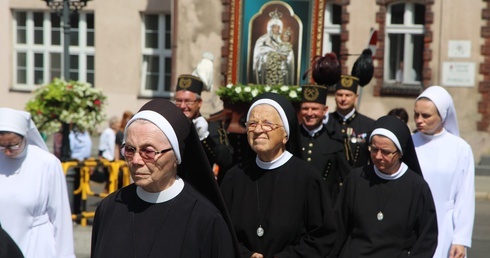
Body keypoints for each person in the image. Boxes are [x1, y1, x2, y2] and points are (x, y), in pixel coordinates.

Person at [91, 99, 239, 257]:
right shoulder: (109, 208)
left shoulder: (205, 219)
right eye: (129, 149)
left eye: (148, 151)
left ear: (176, 156)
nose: (135, 161)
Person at [220, 92, 337, 258]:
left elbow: (321, 236)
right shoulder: (234, 177)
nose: (258, 130)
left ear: (285, 134)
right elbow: (221, 231)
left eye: (267, 124)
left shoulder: (307, 178)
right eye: (252, 123)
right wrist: (244, 254)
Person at [333, 115, 438, 257]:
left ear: (401, 152)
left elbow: (427, 238)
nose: (378, 156)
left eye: (386, 152)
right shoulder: (355, 179)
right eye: (374, 149)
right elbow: (338, 226)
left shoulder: (417, 187)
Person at [0, 107, 75, 258]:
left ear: (24, 137)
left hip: (35, 244)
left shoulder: (47, 163)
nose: (7, 152)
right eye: (2, 146)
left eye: (13, 145)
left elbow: (60, 216)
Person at [412, 85, 475, 258]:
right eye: (416, 114)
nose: (419, 120)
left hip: (445, 227)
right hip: (411, 225)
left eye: (426, 116)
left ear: (442, 116)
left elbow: (464, 197)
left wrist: (460, 239)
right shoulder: (408, 143)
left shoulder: (460, 148)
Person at [174, 74, 234, 181]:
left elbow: (227, 159)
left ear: (199, 103)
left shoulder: (213, 126)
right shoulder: (171, 125)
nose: (183, 106)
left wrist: (205, 137)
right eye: (179, 100)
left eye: (188, 101)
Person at [299, 84, 350, 203]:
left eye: (315, 109)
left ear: (325, 110)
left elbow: (346, 177)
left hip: (325, 205)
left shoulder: (335, 139)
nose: (309, 113)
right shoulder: (291, 137)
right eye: (305, 108)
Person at [327, 75, 375, 169]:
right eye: (340, 95)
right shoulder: (326, 122)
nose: (343, 99)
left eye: (348, 95)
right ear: (335, 97)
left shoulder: (369, 125)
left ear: (356, 97)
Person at [252, 8, 294, 85]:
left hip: (281, 70)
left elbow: (289, 56)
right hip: (266, 68)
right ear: (270, 28)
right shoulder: (262, 40)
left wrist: (284, 57)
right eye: (275, 27)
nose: (277, 29)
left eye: (278, 27)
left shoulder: (283, 41)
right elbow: (258, 53)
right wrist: (271, 53)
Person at [69, 129, 93, 215]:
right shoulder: (73, 135)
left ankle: (81, 211)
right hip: (76, 164)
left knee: (83, 191)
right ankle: (74, 212)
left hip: (84, 164)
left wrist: (89, 163)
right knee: (75, 190)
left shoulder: (86, 133)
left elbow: (88, 148)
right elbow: (70, 150)